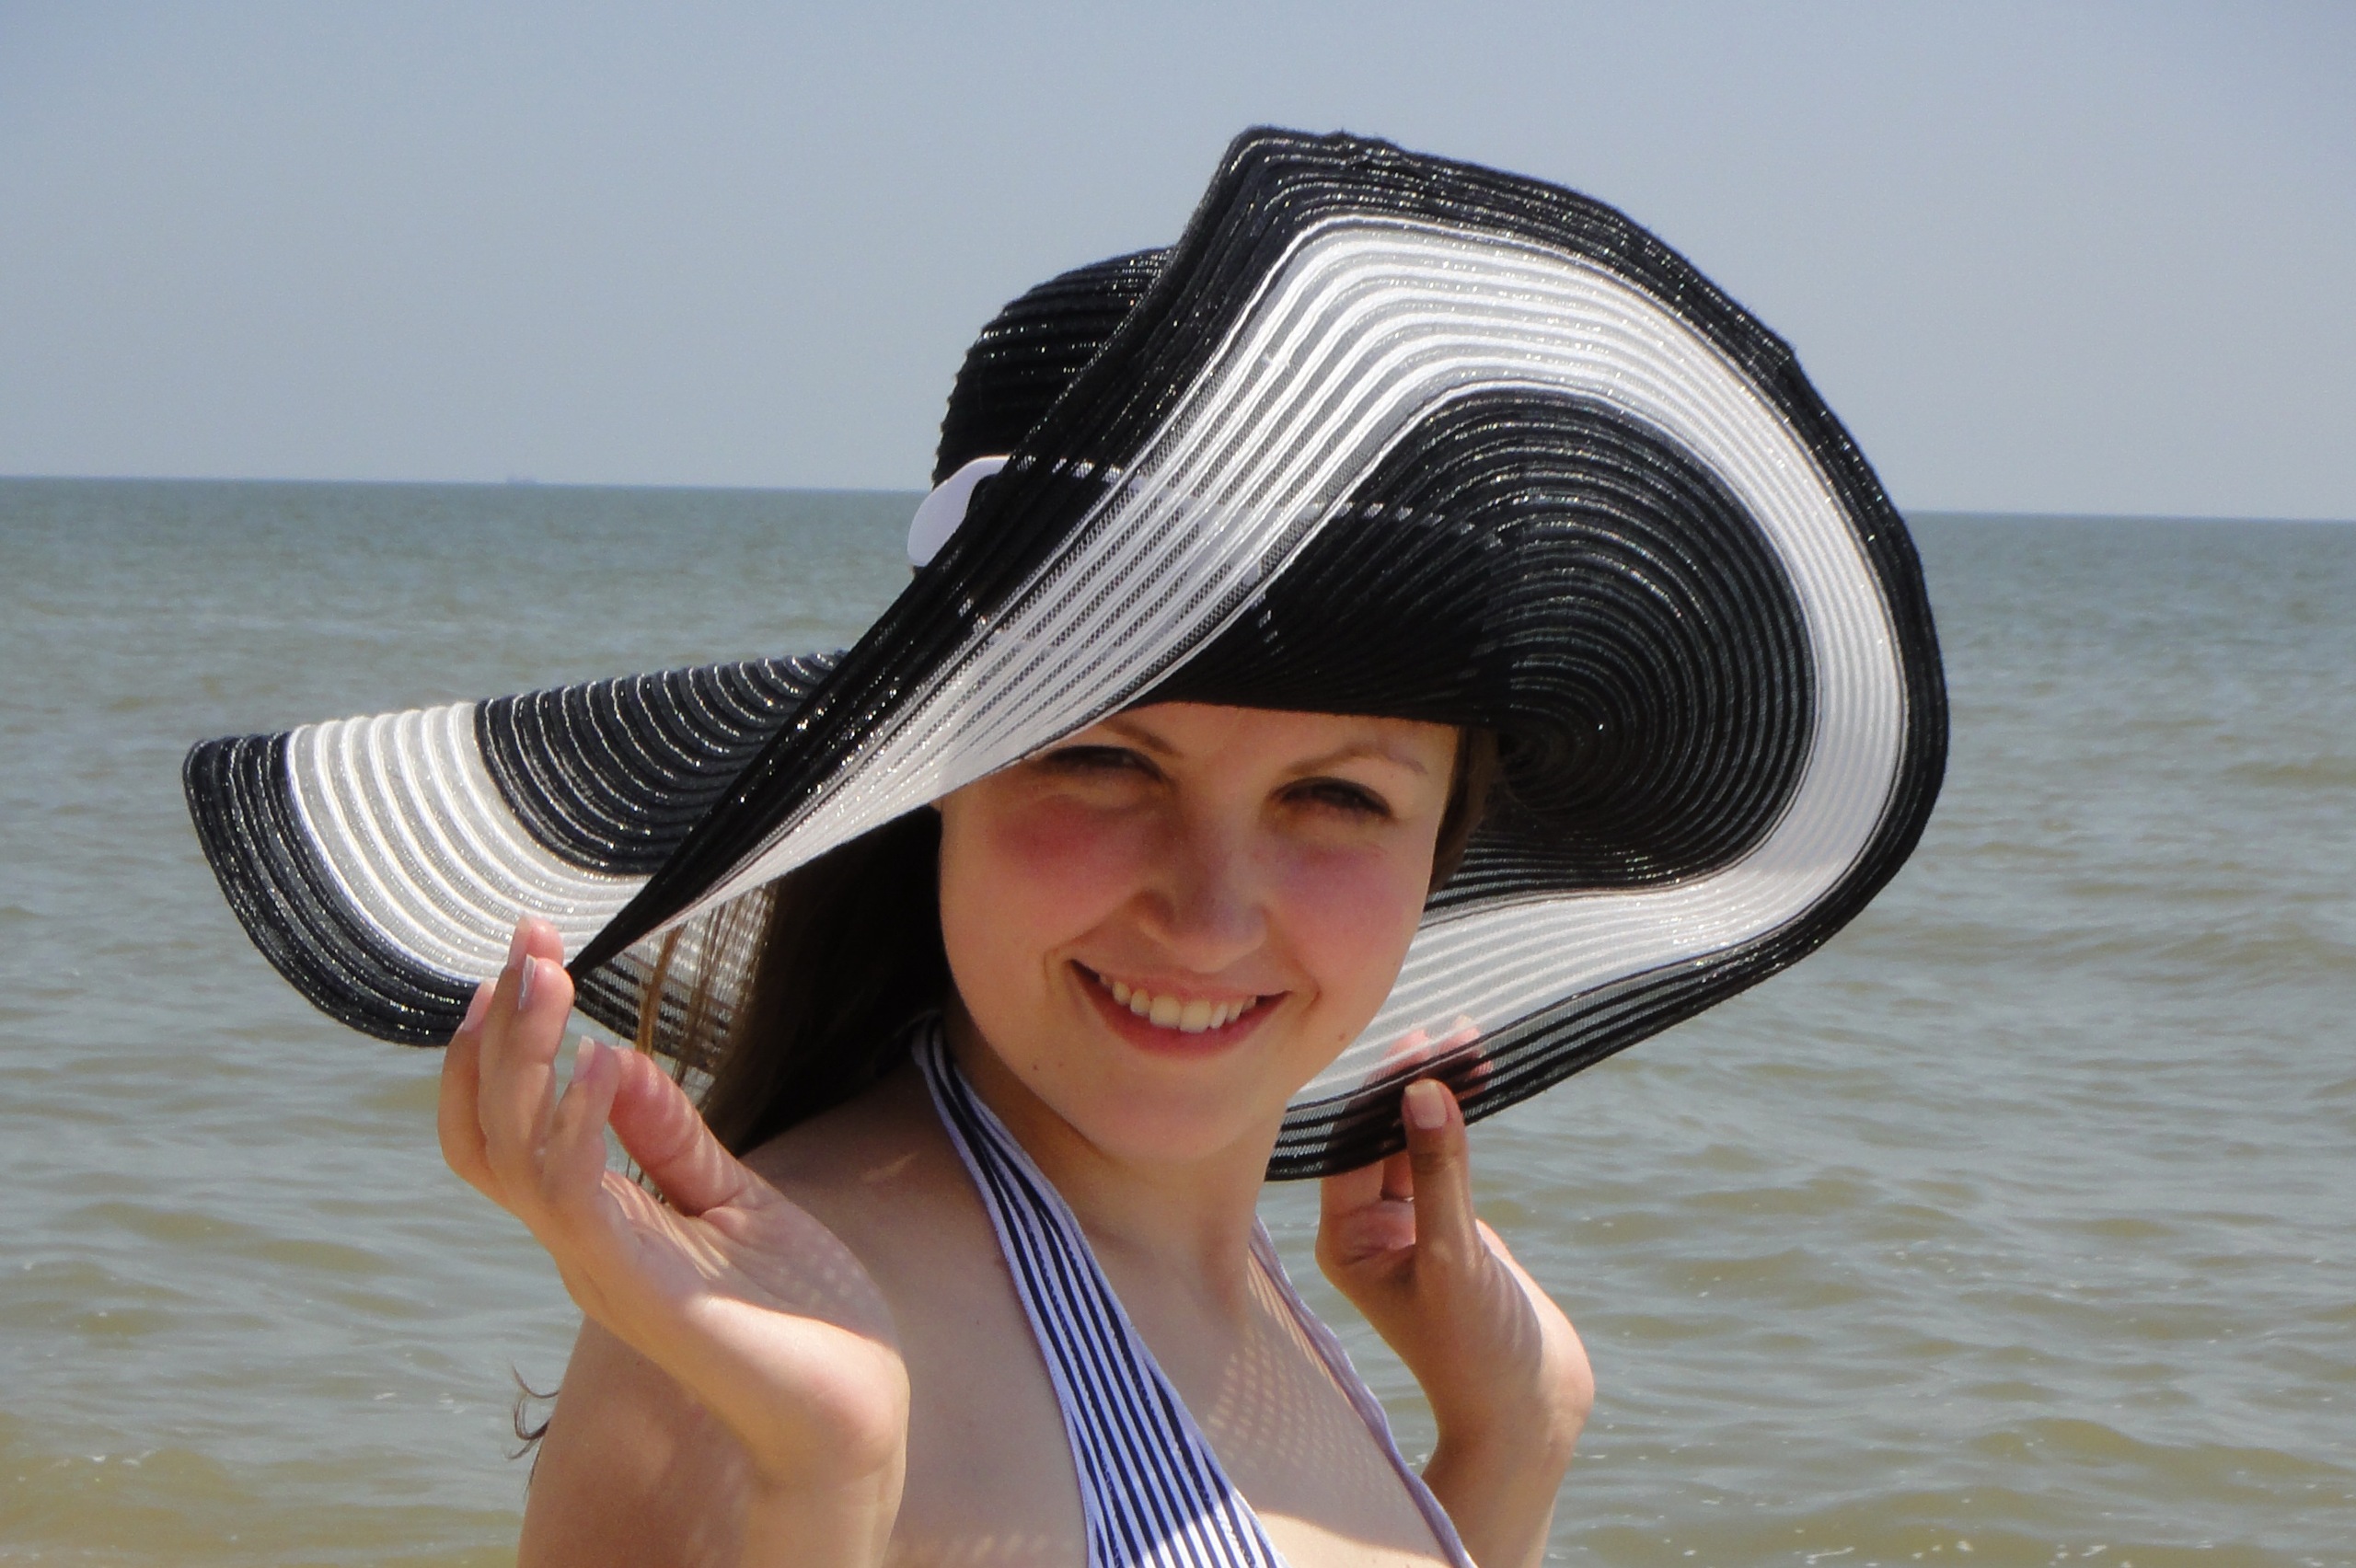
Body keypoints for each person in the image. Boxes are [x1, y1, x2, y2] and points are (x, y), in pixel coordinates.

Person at [183, 128, 1946, 1568]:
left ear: (1442, 844)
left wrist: (1508, 1444)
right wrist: (825, 1478)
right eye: (1103, 763)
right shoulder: (764, 1337)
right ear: (929, 786)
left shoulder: (1244, 1299)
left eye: (1337, 797)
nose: (1212, 907)